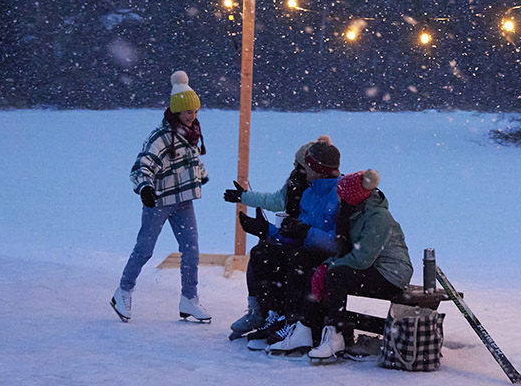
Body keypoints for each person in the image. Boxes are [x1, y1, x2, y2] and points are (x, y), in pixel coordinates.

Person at [268, 169, 413, 362]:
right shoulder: (352, 213)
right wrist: (326, 264)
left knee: (337, 275)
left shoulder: (378, 218)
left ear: (353, 197)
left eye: (342, 196)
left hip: (392, 274)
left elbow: (362, 258)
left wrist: (329, 266)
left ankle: (336, 335)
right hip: (373, 267)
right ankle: (305, 329)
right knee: (321, 269)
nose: (339, 200)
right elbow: (343, 251)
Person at [110, 70, 211, 323]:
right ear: (176, 111)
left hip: (183, 201)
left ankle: (189, 298)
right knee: (145, 249)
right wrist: (145, 188)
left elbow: (191, 159)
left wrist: (202, 175)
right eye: (188, 112)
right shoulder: (161, 136)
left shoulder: (191, 133)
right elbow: (143, 164)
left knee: (191, 251)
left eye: (196, 111)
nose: (193, 116)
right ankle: (123, 291)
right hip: (158, 202)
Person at [236, 140, 342, 351]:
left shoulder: (338, 194)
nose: (301, 169)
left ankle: (294, 323)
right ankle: (272, 315)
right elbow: (294, 233)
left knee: (298, 258)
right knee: (262, 252)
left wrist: (304, 232)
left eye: (307, 165)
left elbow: (337, 242)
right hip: (305, 249)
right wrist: (266, 230)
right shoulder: (309, 193)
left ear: (318, 170)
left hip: (329, 256)